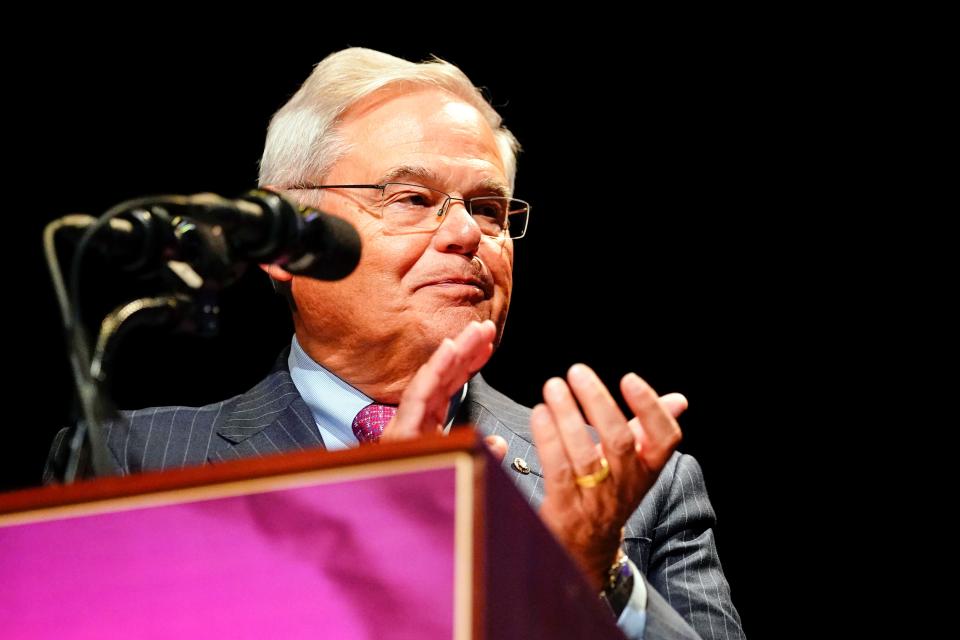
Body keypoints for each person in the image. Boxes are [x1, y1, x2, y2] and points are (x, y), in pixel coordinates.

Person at [46, 48, 744, 639]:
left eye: (488, 208)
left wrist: (601, 579)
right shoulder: (135, 467)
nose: (468, 235)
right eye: (411, 199)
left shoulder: (632, 492)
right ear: (286, 245)